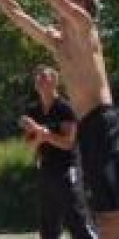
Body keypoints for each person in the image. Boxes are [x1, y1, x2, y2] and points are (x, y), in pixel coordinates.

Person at [0, 0, 119, 236]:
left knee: (112, 216)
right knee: (106, 217)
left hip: (104, 124)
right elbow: (17, 15)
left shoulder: (84, 25)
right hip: (89, 128)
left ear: (84, 7)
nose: (63, 1)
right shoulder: (59, 43)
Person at [20, 65, 96, 238]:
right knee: (48, 226)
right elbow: (30, 145)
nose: (39, 78)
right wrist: (40, 136)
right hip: (45, 171)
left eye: (43, 76)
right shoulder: (33, 111)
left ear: (55, 81)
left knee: (78, 222)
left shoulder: (65, 108)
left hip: (67, 170)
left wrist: (42, 133)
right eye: (36, 76)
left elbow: (68, 143)